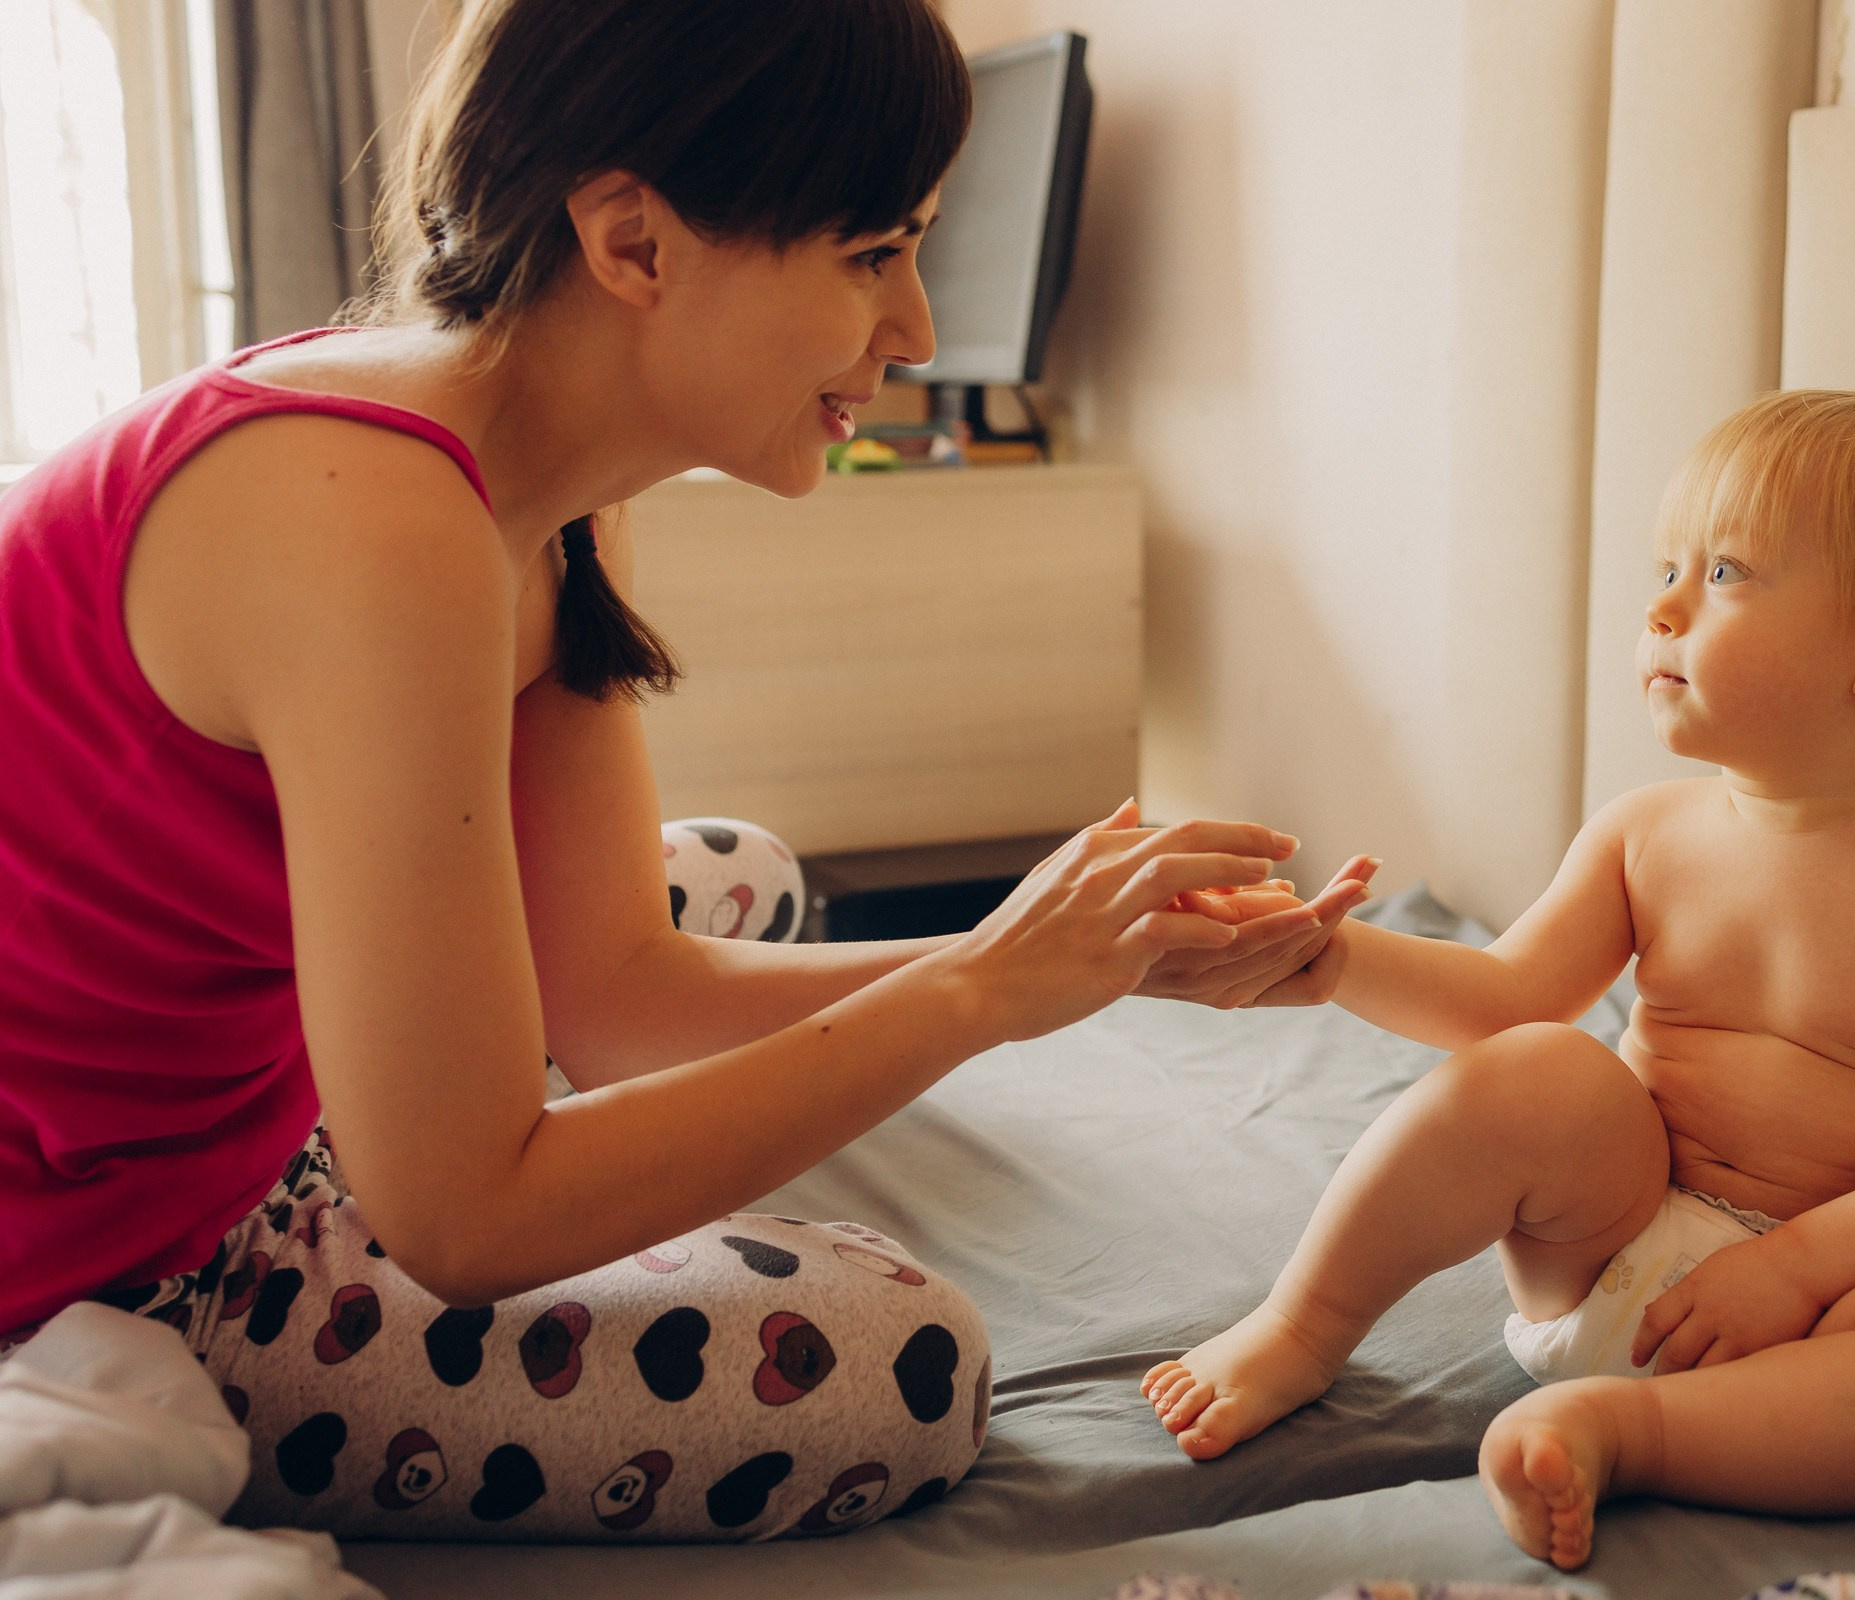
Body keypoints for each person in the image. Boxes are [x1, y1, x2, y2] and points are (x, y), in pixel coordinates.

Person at [0, 0, 1368, 1542]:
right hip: (112, 1247)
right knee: (899, 1366)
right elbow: (466, 1215)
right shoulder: (374, 530)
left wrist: (1077, 962)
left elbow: (623, 1000)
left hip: (253, 1068)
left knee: (737, 872)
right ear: (635, 243)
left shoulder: (532, 466)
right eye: (872, 254)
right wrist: (982, 993)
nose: (914, 329)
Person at [1141, 390, 1855, 1570]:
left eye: (1726, 571)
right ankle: (1301, 1324)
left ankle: (1624, 1432)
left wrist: (1799, 1265)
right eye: (1668, 566)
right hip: (1608, 1245)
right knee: (1541, 1066)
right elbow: (1499, 999)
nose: (1661, 606)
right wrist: (1329, 954)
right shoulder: (1648, 832)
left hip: (1828, 1310)